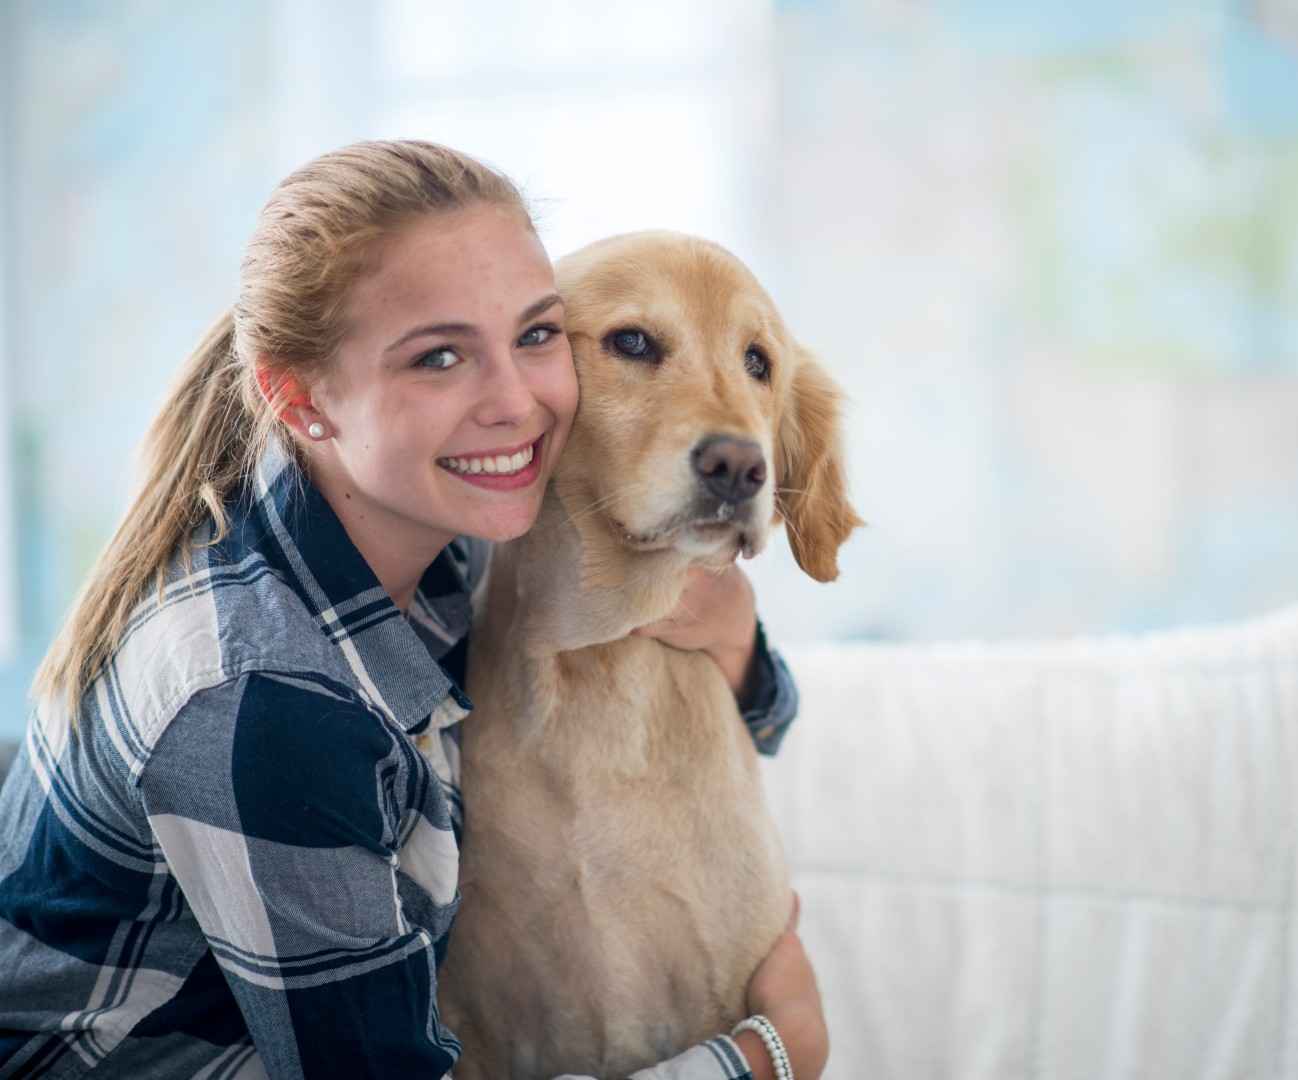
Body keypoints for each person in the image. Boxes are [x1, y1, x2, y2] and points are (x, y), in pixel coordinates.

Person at [0, 140, 827, 1080]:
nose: (516, 404)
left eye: (535, 335)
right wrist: (767, 1055)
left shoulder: (434, 530)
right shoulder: (262, 698)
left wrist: (733, 641)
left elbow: (766, 713)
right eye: (439, 358)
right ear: (300, 397)